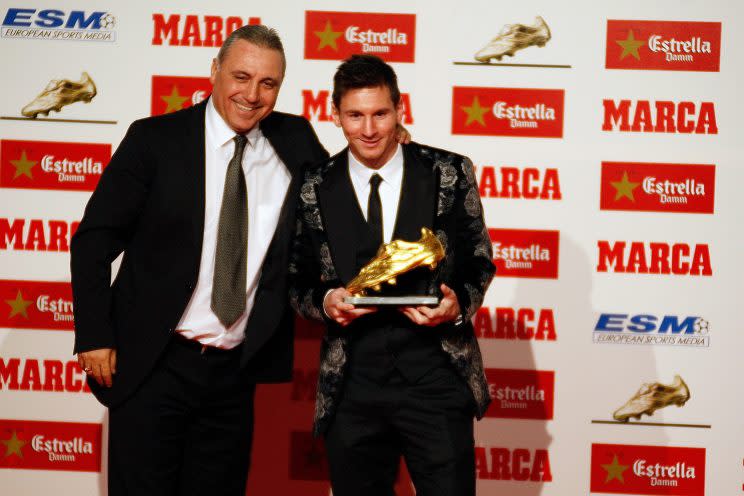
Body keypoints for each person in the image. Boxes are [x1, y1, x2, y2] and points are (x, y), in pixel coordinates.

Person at [70, 25, 331, 496]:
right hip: (153, 364)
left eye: (267, 83)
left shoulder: (295, 141)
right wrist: (93, 334)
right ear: (213, 71)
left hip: (233, 374)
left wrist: (391, 150)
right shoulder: (154, 140)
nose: (252, 95)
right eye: (241, 76)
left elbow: (338, 203)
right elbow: (93, 241)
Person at [288, 54, 495, 496]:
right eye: (355, 115)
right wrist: (325, 303)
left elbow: (480, 259)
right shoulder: (314, 185)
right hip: (352, 386)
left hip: (436, 377)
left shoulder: (450, 172)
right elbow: (296, 280)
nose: (368, 129)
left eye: (380, 113)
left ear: (400, 110)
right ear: (335, 114)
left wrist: (457, 303)